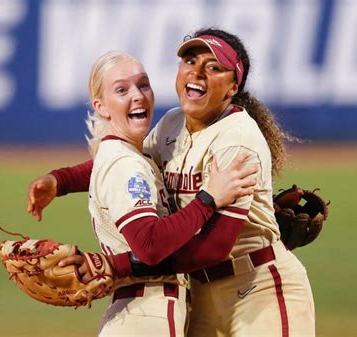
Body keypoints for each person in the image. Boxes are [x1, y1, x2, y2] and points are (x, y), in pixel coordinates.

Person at [28, 28, 315, 337]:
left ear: (232, 87)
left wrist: (118, 266)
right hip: (200, 293)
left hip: (257, 289)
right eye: (190, 61)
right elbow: (127, 163)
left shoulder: (237, 140)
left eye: (214, 67)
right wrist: (61, 181)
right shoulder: (172, 124)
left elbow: (214, 248)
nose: (198, 73)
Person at [50, 50, 256, 337]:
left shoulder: (127, 155)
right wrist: (207, 199)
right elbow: (148, 245)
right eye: (122, 90)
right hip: (146, 314)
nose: (137, 95)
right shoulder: (126, 163)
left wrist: (58, 181)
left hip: (136, 313)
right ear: (102, 106)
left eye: (143, 85)